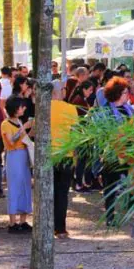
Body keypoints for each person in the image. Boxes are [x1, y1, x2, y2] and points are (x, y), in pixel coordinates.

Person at [101, 77, 134, 225]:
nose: (128, 95)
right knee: (111, 186)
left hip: (129, 152)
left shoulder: (130, 110)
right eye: (125, 92)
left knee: (133, 183)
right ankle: (110, 217)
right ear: (117, 94)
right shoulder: (106, 111)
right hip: (112, 153)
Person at [50, 80, 79, 238]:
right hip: (66, 155)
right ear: (60, 91)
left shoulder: (43, 108)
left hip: (49, 155)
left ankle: (48, 225)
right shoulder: (70, 109)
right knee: (62, 193)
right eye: (64, 89)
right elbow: (75, 133)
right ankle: (60, 228)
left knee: (50, 192)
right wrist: (75, 154)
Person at [1, 97, 33, 233]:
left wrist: (32, 129)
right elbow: (11, 142)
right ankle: (12, 222)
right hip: (14, 156)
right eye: (21, 106)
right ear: (15, 108)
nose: (24, 108)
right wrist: (24, 128)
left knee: (25, 186)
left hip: (23, 155)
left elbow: (25, 138)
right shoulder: (5, 124)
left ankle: (23, 220)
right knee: (14, 187)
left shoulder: (19, 122)